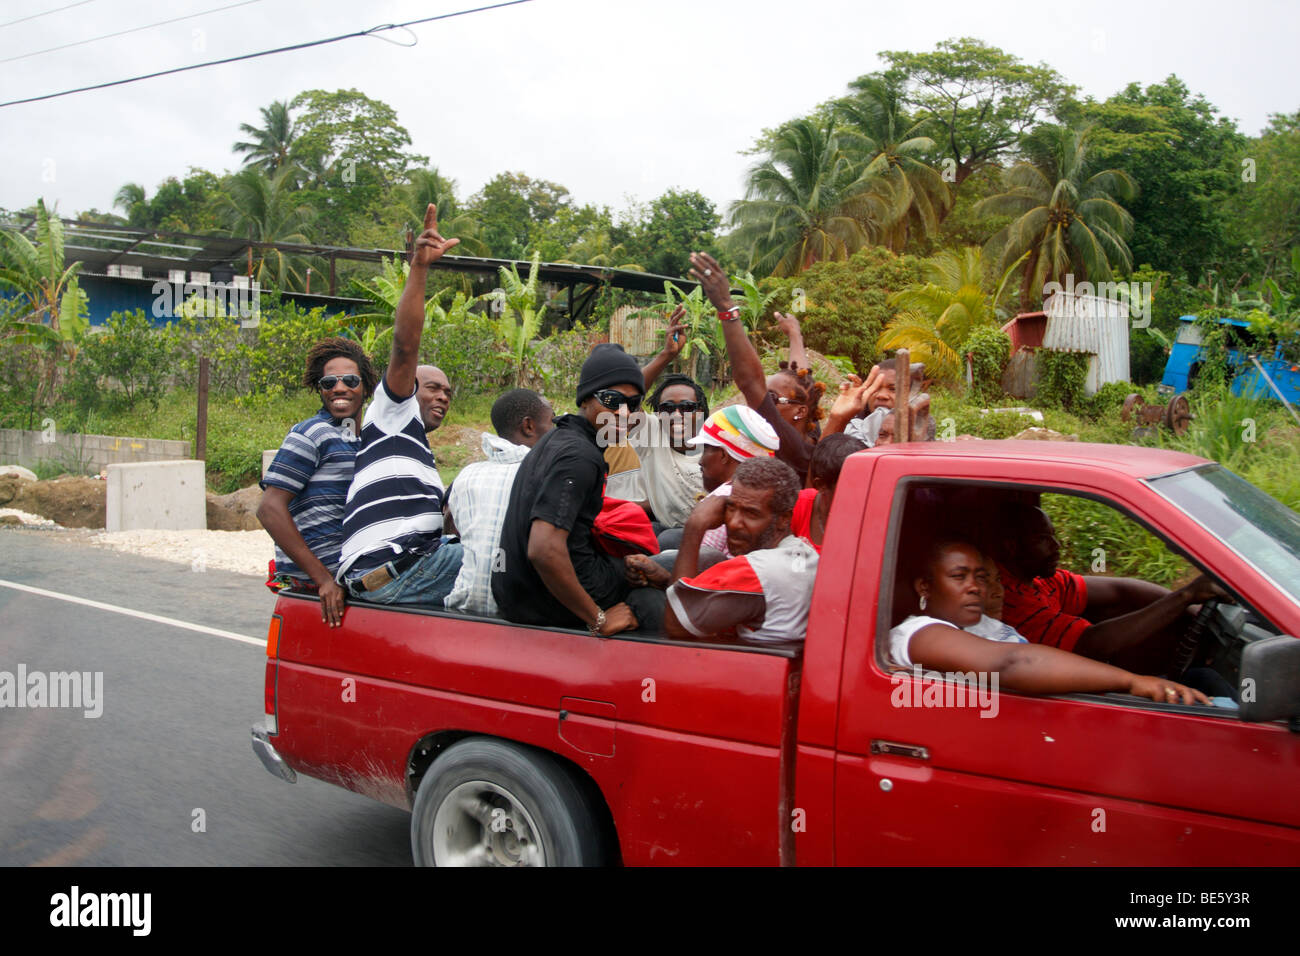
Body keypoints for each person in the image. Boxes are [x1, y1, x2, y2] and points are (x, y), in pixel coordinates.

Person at [890, 539, 1210, 704]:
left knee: (1204, 681)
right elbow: (1012, 663)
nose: (976, 586)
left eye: (981, 576)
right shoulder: (916, 633)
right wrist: (1132, 681)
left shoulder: (982, 626)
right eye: (959, 576)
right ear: (925, 587)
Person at [335, 205, 464, 606]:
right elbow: (405, 345)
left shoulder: (415, 453)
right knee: (512, 558)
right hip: (392, 570)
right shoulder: (392, 414)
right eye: (432, 388)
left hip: (408, 567)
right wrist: (420, 269)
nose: (442, 396)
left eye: (448, 392)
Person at [491, 343, 666, 635]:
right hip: (543, 604)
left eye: (633, 404)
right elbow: (543, 549)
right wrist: (598, 618)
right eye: (612, 400)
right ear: (585, 400)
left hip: (518, 592)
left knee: (640, 564)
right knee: (658, 589)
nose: (624, 413)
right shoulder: (579, 457)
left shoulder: (560, 437)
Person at [989, 501, 1226, 676]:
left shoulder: (1039, 580)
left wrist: (1189, 604)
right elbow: (1092, 643)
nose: (1056, 546)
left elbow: (1119, 589)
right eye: (1042, 539)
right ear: (1011, 547)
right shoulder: (1007, 599)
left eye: (1053, 536)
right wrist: (1184, 596)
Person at [257, 337, 379, 628]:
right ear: (318, 388)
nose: (339, 388)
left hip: (351, 579)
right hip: (321, 588)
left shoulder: (367, 440)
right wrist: (323, 579)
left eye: (350, 380)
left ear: (366, 386)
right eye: (329, 382)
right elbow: (269, 509)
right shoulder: (311, 434)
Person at [659, 457, 819, 643]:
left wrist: (695, 527)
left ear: (784, 519)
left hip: (757, 666)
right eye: (731, 508)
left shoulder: (756, 569)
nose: (734, 523)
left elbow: (676, 625)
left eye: (751, 514)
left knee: (644, 600)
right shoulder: (805, 554)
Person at [689, 251, 816, 478]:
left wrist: (727, 308)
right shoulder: (811, 433)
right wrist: (795, 336)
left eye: (773, 398)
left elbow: (749, 382)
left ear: (800, 411)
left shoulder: (790, 446)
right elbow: (805, 381)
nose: (764, 402)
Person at [443, 389, 554, 616]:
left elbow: (451, 531)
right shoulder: (548, 475)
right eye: (553, 422)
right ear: (528, 426)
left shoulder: (466, 475)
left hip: (463, 606)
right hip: (523, 613)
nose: (556, 430)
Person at [789, 433, 867, 550]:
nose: (861, 492)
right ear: (821, 485)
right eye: (851, 486)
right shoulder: (798, 506)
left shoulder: (868, 517)